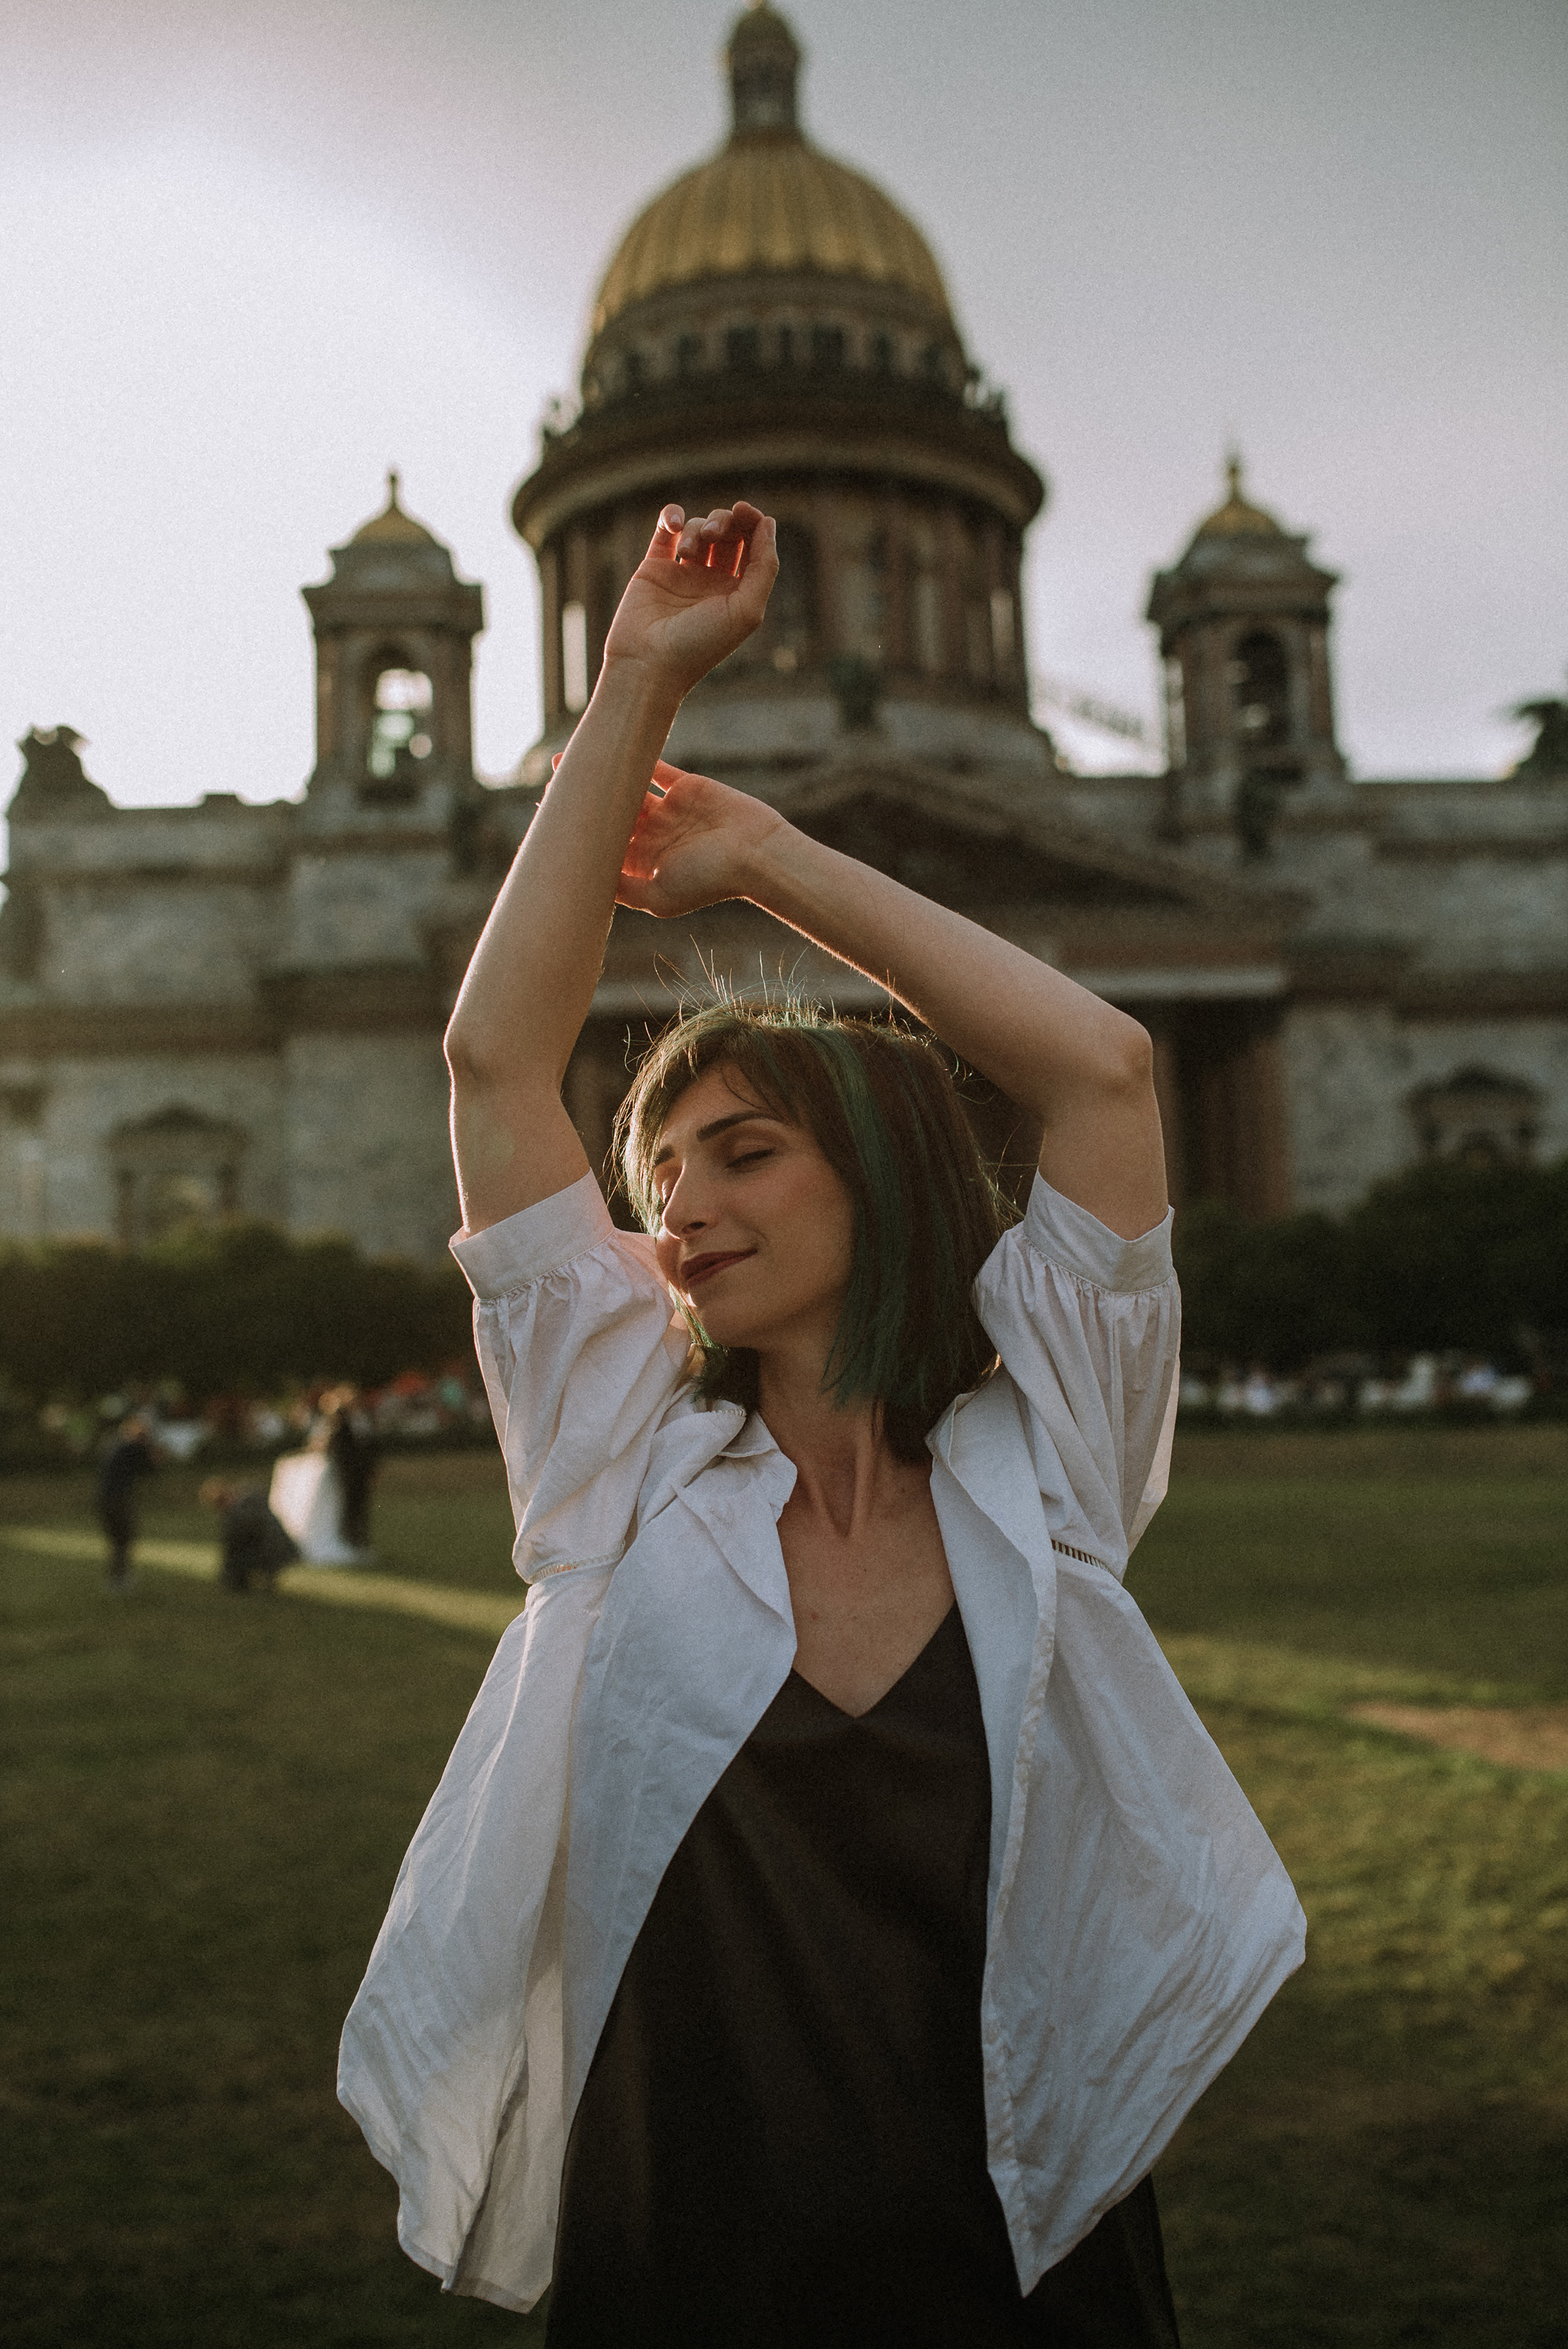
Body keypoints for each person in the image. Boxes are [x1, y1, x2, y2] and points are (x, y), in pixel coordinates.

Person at [340, 501, 1305, 2341]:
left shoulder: (1053, 1473)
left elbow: (1100, 1064)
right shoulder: (616, 1466)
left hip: (1021, 2243)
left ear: (879, 1175)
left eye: (748, 1151)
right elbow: (491, 1063)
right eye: (662, 1166)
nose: (679, 1206)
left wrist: (771, 854)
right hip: (686, 2241)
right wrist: (635, 677)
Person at [199, 1478, 299, 1593]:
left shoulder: (239, 1512)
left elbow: (236, 1543)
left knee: (237, 1564)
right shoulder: (249, 1497)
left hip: (271, 1550)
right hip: (280, 1548)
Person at [96, 1411, 158, 1591]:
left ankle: (118, 1577)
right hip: (116, 1499)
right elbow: (149, 1467)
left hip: (108, 1498)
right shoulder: (129, 1447)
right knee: (123, 1538)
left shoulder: (117, 1445)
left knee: (120, 1539)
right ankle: (118, 1580)